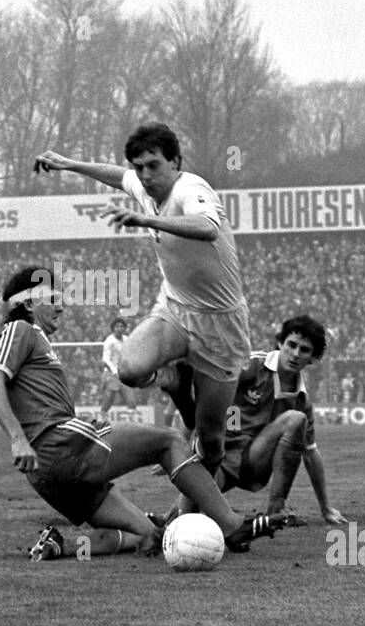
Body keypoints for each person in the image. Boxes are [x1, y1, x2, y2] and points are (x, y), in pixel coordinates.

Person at [0, 265, 287, 561]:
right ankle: (232, 526)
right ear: (30, 304)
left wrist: (79, 421)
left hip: (45, 473)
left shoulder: (38, 342)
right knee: (168, 441)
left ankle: (60, 545)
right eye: (53, 299)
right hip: (55, 447)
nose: (61, 307)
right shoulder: (20, 329)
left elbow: (35, 404)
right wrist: (18, 439)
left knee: (150, 535)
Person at [34, 123, 250, 479]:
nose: (145, 175)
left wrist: (145, 218)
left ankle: (191, 516)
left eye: (153, 165)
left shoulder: (190, 188)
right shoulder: (142, 183)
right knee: (130, 369)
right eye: (140, 166)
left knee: (210, 438)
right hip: (176, 308)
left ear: (175, 162)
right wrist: (68, 163)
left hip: (221, 323)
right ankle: (175, 380)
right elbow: (119, 177)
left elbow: (207, 227)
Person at [158, 315, 347, 525]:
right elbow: (206, 397)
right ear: (280, 343)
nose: (295, 354)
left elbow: (311, 454)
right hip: (219, 456)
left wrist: (326, 508)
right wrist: (181, 446)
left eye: (304, 350)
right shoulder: (254, 365)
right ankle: (165, 520)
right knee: (182, 517)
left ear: (312, 358)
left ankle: (276, 511)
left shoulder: (301, 399)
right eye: (291, 345)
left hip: (253, 461)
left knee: (295, 420)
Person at [98, 318, 138, 419]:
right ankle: (102, 421)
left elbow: (130, 355)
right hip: (112, 374)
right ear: (113, 329)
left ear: (124, 328)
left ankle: (131, 426)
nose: (119, 328)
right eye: (117, 326)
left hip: (124, 374)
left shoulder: (127, 339)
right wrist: (114, 370)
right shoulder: (109, 341)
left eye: (121, 326)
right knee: (108, 400)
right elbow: (105, 359)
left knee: (132, 401)